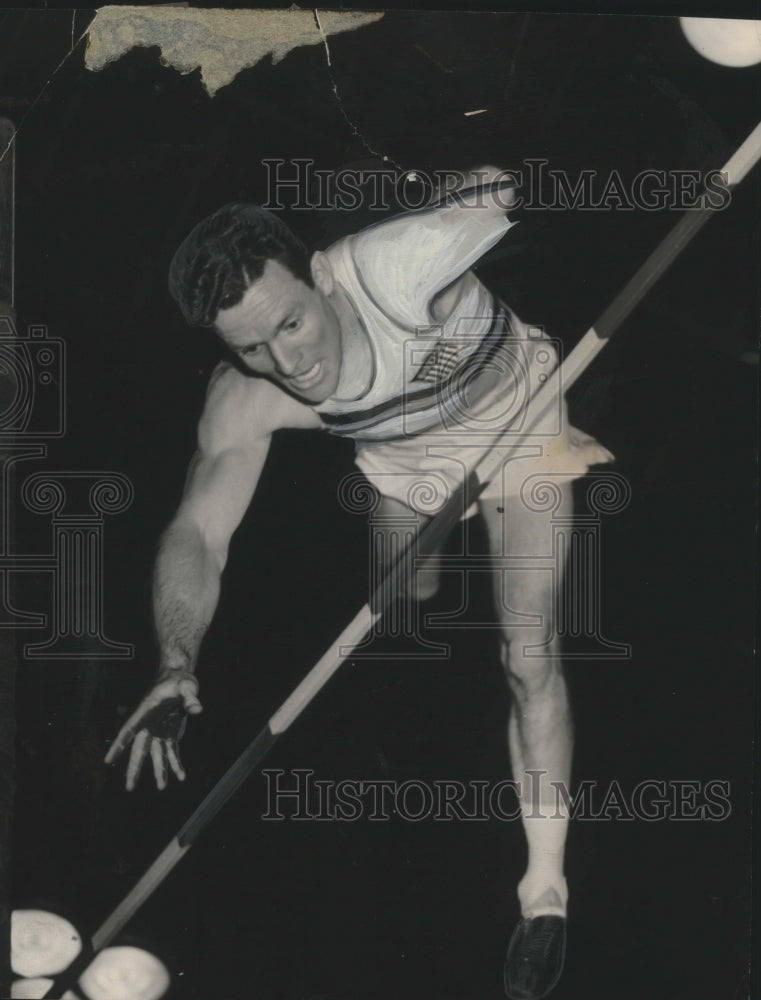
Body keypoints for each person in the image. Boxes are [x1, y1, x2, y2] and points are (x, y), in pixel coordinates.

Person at [105, 171, 613, 1000]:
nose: (287, 361)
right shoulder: (247, 397)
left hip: (521, 435)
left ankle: (544, 890)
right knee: (409, 600)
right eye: (252, 347)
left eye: (292, 324)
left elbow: (521, 186)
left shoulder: (395, 268)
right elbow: (198, 531)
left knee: (527, 659)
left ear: (316, 275)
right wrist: (174, 660)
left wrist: (481, 187)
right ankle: (426, 565)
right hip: (404, 473)